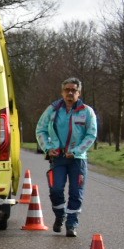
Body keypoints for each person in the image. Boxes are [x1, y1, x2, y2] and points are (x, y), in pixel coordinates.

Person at [34, 77, 98, 238]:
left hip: (78, 159)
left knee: (76, 192)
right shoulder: (53, 110)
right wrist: (48, 148)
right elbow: (40, 129)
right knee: (56, 189)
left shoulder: (86, 111)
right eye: (67, 90)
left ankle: (71, 224)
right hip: (58, 157)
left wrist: (76, 151)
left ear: (79, 92)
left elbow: (91, 135)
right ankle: (59, 215)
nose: (70, 93)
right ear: (62, 92)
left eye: (73, 90)